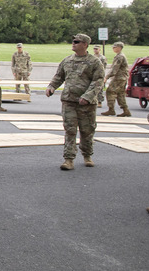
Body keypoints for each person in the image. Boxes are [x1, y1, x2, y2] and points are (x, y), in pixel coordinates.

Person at [45, 33, 106, 170]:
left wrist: (88, 96)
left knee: (87, 130)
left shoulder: (94, 62)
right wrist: (51, 87)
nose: (74, 43)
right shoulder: (67, 61)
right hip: (69, 101)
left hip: (87, 104)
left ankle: (87, 155)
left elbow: (98, 81)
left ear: (85, 44)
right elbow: (58, 76)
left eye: (77, 42)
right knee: (70, 130)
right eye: (73, 41)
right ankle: (68, 159)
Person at [102, 41, 131, 117]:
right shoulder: (120, 56)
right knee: (120, 94)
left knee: (110, 91)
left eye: (115, 47)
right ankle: (126, 110)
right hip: (122, 78)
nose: (113, 48)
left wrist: (106, 77)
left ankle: (111, 110)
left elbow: (114, 69)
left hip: (119, 78)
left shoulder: (120, 57)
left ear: (119, 48)